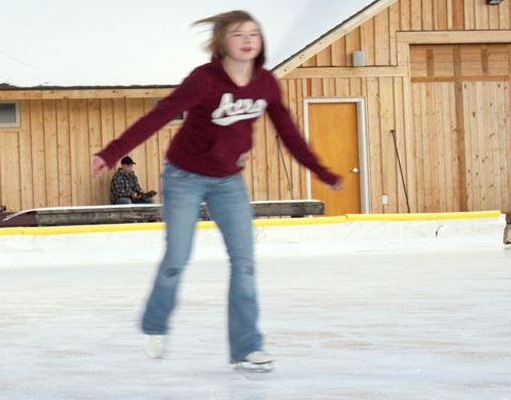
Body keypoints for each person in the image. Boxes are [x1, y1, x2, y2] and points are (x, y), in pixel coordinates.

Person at [90, 10, 343, 373]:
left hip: (229, 181)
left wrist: (321, 171)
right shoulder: (204, 80)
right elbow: (159, 116)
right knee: (177, 258)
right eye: (238, 33)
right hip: (183, 177)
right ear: (223, 41)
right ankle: (154, 324)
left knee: (244, 263)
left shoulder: (266, 84)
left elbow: (288, 133)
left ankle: (247, 348)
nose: (247, 40)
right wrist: (112, 152)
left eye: (253, 33)